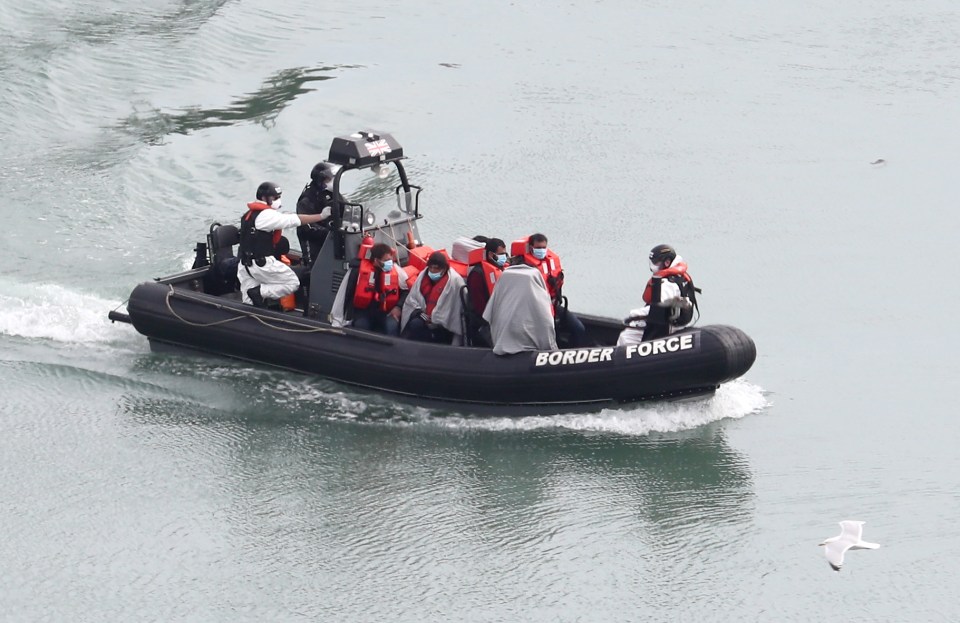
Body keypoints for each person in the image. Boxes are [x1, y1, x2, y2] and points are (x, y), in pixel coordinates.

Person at [238, 181, 328, 308]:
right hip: (262, 265)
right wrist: (321, 216)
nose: (278, 201)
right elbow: (293, 220)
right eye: (275, 198)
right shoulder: (266, 215)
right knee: (292, 283)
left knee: (248, 303)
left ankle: (254, 312)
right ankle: (260, 292)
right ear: (264, 198)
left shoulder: (249, 214)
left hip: (245, 265)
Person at [617, 243, 700, 345]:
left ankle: (625, 359)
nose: (653, 268)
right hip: (676, 323)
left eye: (656, 263)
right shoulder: (680, 277)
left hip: (667, 326)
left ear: (667, 262)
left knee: (626, 337)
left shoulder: (667, 284)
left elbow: (658, 309)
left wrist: (634, 314)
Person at [515, 233, 587, 347]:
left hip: (554, 305)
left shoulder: (550, 263)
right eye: (538, 248)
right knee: (552, 336)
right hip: (536, 312)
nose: (541, 250)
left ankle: (576, 354)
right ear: (531, 248)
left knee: (578, 328)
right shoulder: (524, 267)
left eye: (544, 248)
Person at [482, 263, 557, 355]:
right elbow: (546, 324)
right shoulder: (538, 300)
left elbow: (489, 316)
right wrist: (553, 351)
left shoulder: (500, 297)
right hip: (531, 352)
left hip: (502, 348)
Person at [401, 251, 466, 344]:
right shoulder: (422, 277)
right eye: (430, 267)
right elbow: (412, 300)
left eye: (436, 268)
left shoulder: (455, 281)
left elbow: (456, 309)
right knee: (414, 325)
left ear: (444, 269)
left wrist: (436, 318)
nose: (432, 270)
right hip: (423, 316)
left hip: (444, 324)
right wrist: (419, 312)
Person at [350, 242, 407, 336]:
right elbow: (348, 293)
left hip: (387, 312)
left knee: (391, 326)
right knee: (361, 326)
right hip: (366, 311)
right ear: (376, 260)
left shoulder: (397, 272)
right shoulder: (360, 273)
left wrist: (398, 307)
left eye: (390, 259)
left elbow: (406, 292)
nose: (390, 262)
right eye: (386, 260)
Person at [296, 161, 341, 266]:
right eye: (329, 179)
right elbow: (306, 226)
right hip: (311, 239)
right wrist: (329, 233)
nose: (332, 182)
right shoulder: (307, 199)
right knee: (314, 266)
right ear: (320, 180)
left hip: (329, 235)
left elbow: (344, 207)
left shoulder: (332, 193)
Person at [466, 237, 507, 345]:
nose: (504, 257)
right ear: (490, 255)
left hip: (500, 320)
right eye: (501, 254)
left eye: (505, 254)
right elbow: (479, 306)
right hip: (482, 324)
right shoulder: (477, 274)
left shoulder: (502, 270)